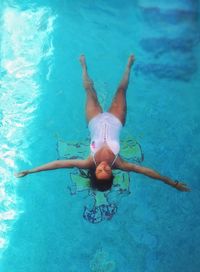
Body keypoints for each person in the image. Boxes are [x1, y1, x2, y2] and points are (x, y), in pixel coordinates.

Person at [15, 54, 190, 192]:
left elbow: (58, 164)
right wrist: (172, 183)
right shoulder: (120, 163)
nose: (104, 167)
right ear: (112, 173)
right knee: (121, 90)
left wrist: (31, 171)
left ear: (94, 172)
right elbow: (147, 172)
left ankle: (83, 66)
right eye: (107, 172)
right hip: (116, 120)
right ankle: (128, 66)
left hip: (94, 120)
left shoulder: (88, 162)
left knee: (89, 90)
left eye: (100, 171)